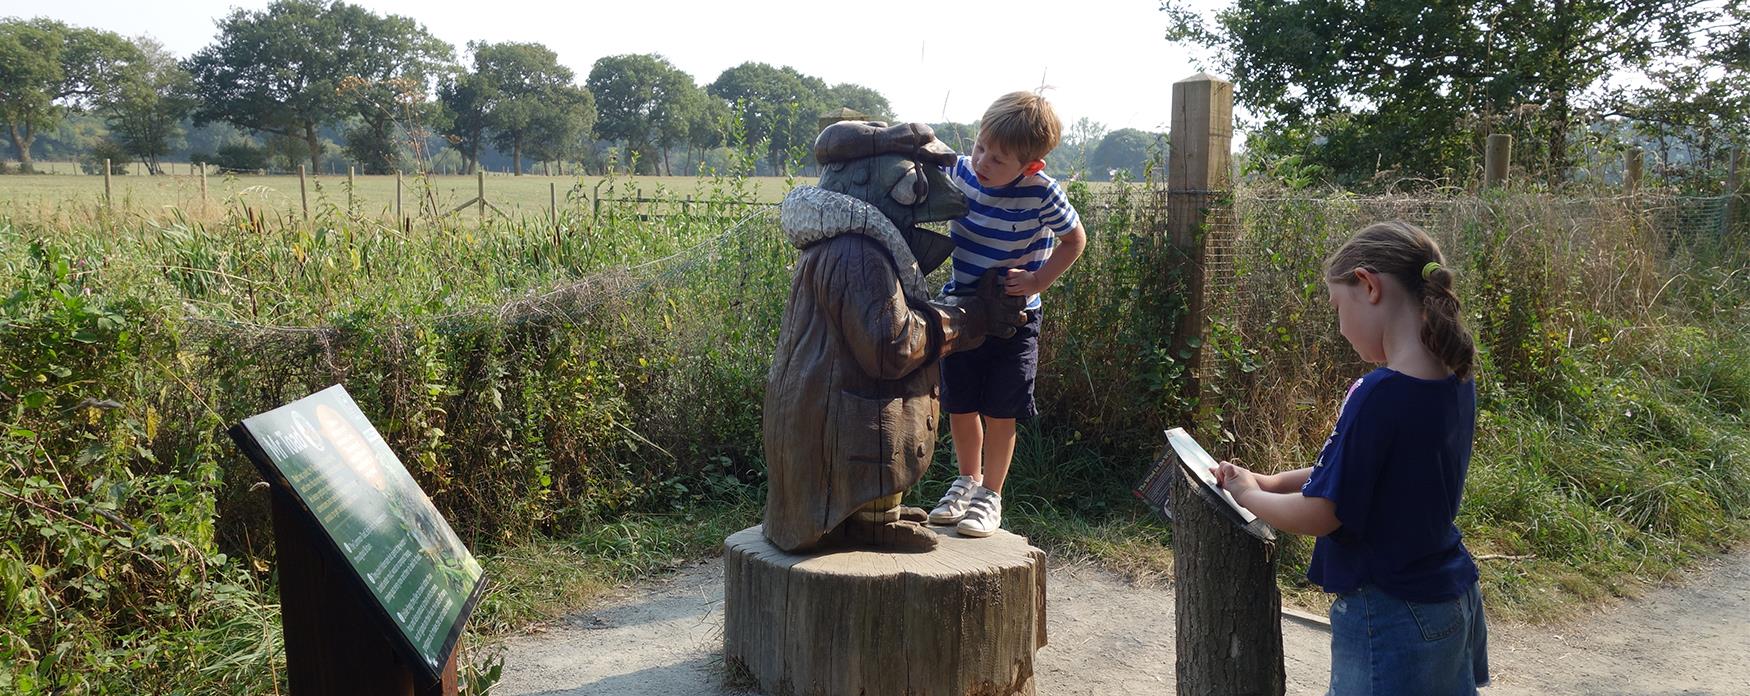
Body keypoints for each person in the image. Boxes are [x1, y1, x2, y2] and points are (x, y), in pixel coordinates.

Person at [1214, 221, 1490, 695]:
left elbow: (1324, 512)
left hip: (1391, 610)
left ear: (1369, 285)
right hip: (1451, 597)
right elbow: (1369, 475)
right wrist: (1273, 480)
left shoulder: (1380, 392)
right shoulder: (1454, 378)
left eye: (1338, 308)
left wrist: (1246, 495)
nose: (1340, 328)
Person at [928, 91, 1088, 538]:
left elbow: (1075, 241)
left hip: (1015, 320)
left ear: (1030, 166)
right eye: (980, 147)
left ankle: (990, 496)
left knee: (1002, 409)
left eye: (997, 159)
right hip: (960, 311)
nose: (981, 162)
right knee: (960, 403)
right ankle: (966, 481)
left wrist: (1038, 281)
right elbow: (921, 157)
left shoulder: (1041, 192)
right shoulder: (960, 170)